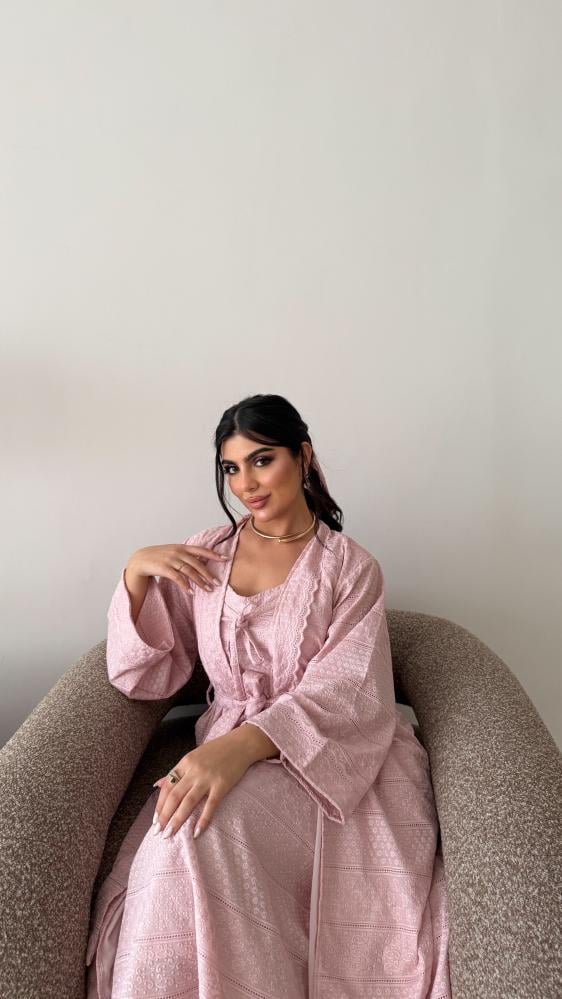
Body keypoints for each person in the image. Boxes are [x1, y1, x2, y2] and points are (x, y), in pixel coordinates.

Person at [86, 393, 452, 998]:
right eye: (231, 468)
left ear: (302, 456)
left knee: (200, 833)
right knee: (174, 843)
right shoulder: (208, 555)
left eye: (262, 460)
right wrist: (135, 573)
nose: (246, 485)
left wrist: (239, 748)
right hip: (223, 748)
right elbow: (141, 676)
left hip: (322, 760)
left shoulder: (350, 569)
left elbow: (350, 693)